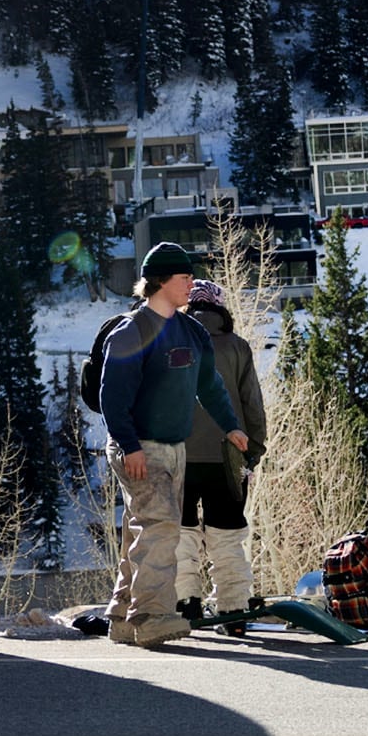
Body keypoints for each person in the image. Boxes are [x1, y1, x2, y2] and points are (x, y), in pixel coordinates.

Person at [98, 242, 251, 648]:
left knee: (141, 531)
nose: (192, 284)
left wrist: (231, 427)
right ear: (161, 281)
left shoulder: (191, 331)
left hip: (174, 447)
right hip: (138, 446)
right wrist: (130, 446)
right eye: (184, 278)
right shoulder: (132, 331)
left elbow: (210, 386)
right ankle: (151, 617)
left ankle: (122, 617)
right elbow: (111, 396)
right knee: (161, 530)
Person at [176, 278, 266, 625]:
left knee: (181, 533)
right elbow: (252, 406)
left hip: (179, 455)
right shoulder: (238, 347)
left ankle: (186, 601)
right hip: (229, 455)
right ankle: (232, 607)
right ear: (221, 308)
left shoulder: (174, 343)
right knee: (227, 532)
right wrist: (252, 452)